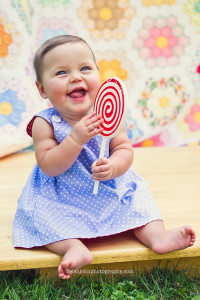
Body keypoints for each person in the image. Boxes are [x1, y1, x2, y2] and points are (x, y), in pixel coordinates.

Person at [13, 35, 196, 280]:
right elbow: (48, 166)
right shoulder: (45, 123)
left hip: (110, 186)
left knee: (137, 197)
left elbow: (124, 150)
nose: (76, 77)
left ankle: (157, 236)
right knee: (40, 214)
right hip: (62, 195)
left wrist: (114, 166)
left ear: (98, 75)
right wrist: (75, 139)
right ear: (42, 89)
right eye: (61, 73)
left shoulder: (110, 114)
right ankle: (72, 246)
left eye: (85, 68)